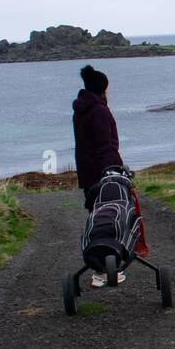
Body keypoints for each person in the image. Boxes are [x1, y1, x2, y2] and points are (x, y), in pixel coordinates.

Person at [73, 65, 131, 286]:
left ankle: (100, 270)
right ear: (103, 89)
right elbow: (104, 146)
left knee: (96, 219)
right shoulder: (99, 111)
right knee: (111, 219)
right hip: (103, 174)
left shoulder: (81, 109)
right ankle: (108, 269)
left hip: (88, 175)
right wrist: (113, 171)